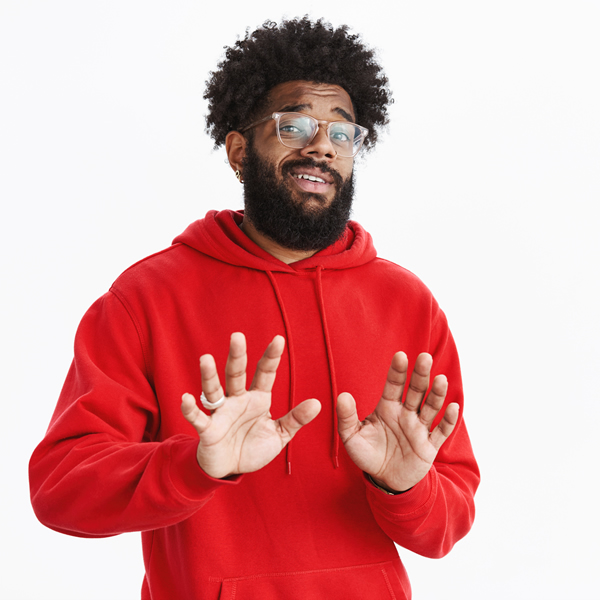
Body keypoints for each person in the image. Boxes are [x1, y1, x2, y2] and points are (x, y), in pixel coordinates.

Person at [29, 17, 479, 600]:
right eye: (294, 125)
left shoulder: (408, 303)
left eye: (342, 133)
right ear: (239, 151)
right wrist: (194, 465)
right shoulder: (146, 298)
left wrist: (405, 487)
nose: (322, 146)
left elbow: (447, 525)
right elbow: (61, 492)